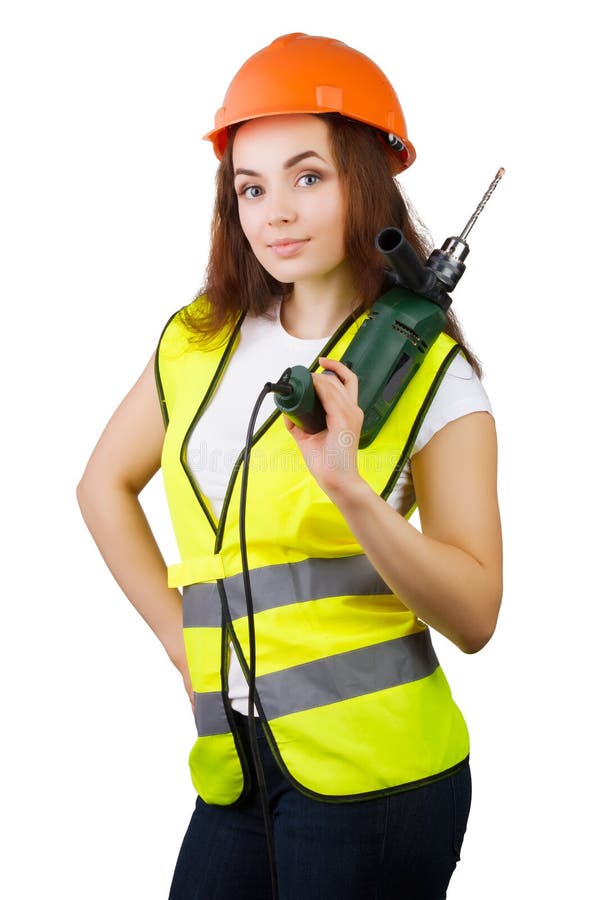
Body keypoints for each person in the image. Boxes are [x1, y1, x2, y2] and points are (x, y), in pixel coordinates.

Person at [77, 32, 502, 900]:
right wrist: (176, 637)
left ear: (367, 180)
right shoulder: (198, 340)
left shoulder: (431, 374)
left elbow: (477, 614)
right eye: (250, 187)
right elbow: (101, 487)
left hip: (380, 780)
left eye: (308, 177)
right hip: (234, 762)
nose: (275, 211)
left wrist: (349, 488)